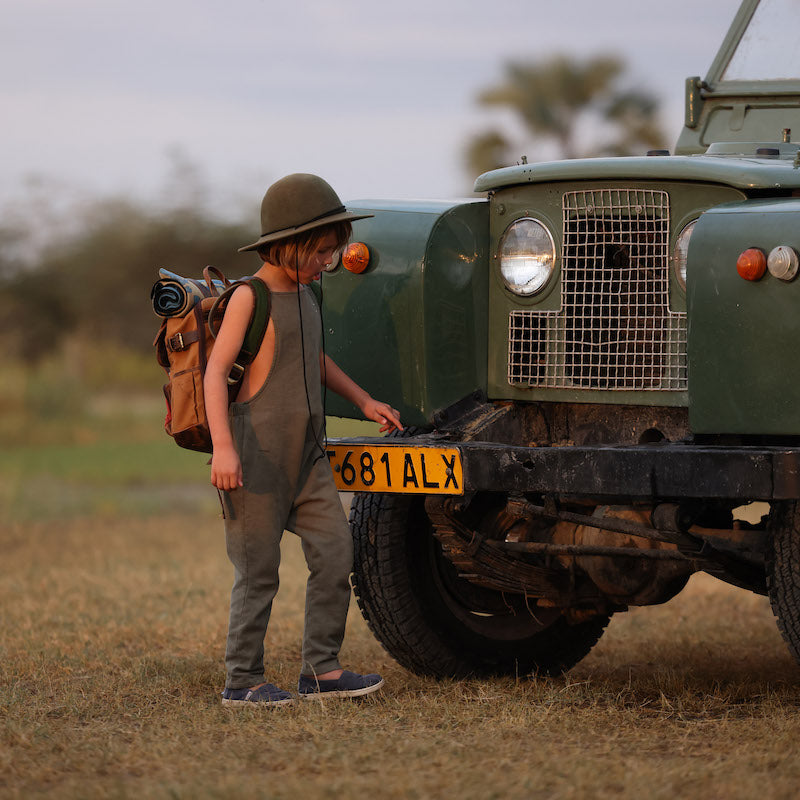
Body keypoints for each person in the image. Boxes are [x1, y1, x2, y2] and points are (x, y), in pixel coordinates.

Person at [204, 173, 402, 708]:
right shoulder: (250, 297)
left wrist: (363, 401)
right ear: (287, 244)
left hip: (309, 455)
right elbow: (214, 373)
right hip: (256, 458)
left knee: (337, 555)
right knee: (258, 573)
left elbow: (313, 358)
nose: (326, 263)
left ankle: (322, 669)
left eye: (332, 254)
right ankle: (242, 681)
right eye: (320, 252)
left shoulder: (308, 294)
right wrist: (224, 448)